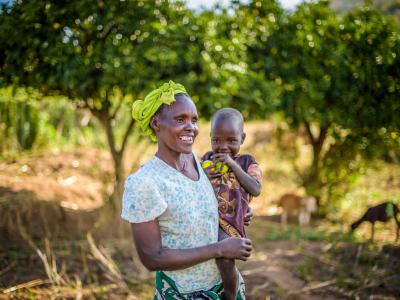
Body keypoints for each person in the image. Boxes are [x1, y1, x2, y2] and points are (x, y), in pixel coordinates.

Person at [121, 81, 252, 299]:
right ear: (156, 123)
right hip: (183, 294)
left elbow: (208, 204)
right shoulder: (145, 182)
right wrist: (220, 249)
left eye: (194, 120)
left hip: (225, 289)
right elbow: (152, 258)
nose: (191, 127)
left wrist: (239, 209)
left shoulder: (196, 161)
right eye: (180, 119)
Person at [201, 108, 262, 300]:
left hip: (229, 223)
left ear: (242, 139)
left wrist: (232, 164)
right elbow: (191, 185)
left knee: (224, 258)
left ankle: (230, 295)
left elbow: (255, 189)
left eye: (231, 140)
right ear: (210, 137)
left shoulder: (247, 162)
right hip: (204, 219)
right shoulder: (205, 160)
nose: (223, 147)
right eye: (216, 140)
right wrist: (203, 175)